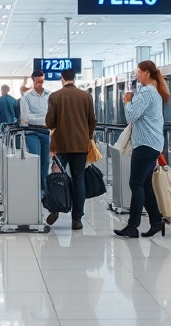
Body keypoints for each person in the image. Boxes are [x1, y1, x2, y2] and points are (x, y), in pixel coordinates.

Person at [115, 60, 168, 239]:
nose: (137, 75)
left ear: (146, 72)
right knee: (144, 184)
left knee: (135, 184)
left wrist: (127, 101)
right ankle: (156, 221)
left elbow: (131, 115)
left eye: (138, 71)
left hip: (145, 144)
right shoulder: (155, 92)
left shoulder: (146, 92)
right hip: (152, 144)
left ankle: (132, 226)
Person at [45, 69, 97, 230]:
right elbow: (92, 121)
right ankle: (77, 219)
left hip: (61, 144)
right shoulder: (86, 96)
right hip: (80, 144)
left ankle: (55, 208)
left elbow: (50, 122)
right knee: (78, 179)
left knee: (57, 176)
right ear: (74, 78)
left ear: (62, 79)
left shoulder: (55, 96)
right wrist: (85, 135)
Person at [20, 70, 51, 192]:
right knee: (35, 159)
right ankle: (34, 188)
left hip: (46, 132)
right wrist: (44, 119)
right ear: (33, 81)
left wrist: (42, 120)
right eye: (38, 82)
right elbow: (26, 117)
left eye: (42, 81)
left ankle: (42, 190)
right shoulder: (26, 97)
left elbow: (53, 114)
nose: (41, 84)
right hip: (31, 132)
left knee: (45, 162)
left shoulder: (50, 95)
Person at [0, 84, 18, 150]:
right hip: (12, 126)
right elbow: (17, 115)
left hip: (0, 126)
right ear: (9, 90)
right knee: (11, 145)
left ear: (1, 90)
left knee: (0, 145)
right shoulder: (14, 100)